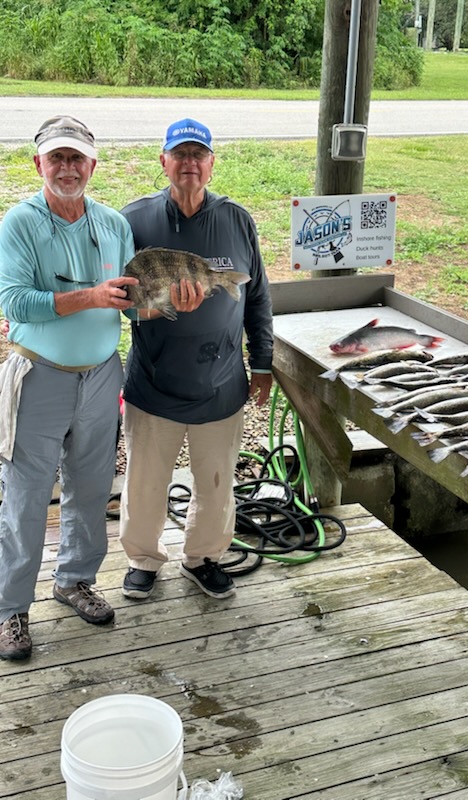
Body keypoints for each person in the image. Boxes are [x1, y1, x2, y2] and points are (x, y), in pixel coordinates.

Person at [0, 115, 139, 661]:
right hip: (39, 375)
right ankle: (11, 609)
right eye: (56, 157)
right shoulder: (20, 223)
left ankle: (74, 579)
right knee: (25, 495)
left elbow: (129, 294)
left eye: (76, 158)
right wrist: (90, 297)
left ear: (92, 165)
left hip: (103, 373)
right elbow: (14, 303)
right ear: (38, 164)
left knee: (90, 486)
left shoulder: (113, 224)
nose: (66, 168)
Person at [119, 118, 273, 601]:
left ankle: (203, 557)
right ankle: (143, 558)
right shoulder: (134, 220)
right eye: (179, 154)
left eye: (198, 155)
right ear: (163, 161)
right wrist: (159, 308)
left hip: (222, 382)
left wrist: (263, 362)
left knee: (216, 481)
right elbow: (120, 301)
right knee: (145, 481)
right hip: (153, 382)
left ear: (211, 163)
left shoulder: (237, 220)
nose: (189, 164)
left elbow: (258, 298)